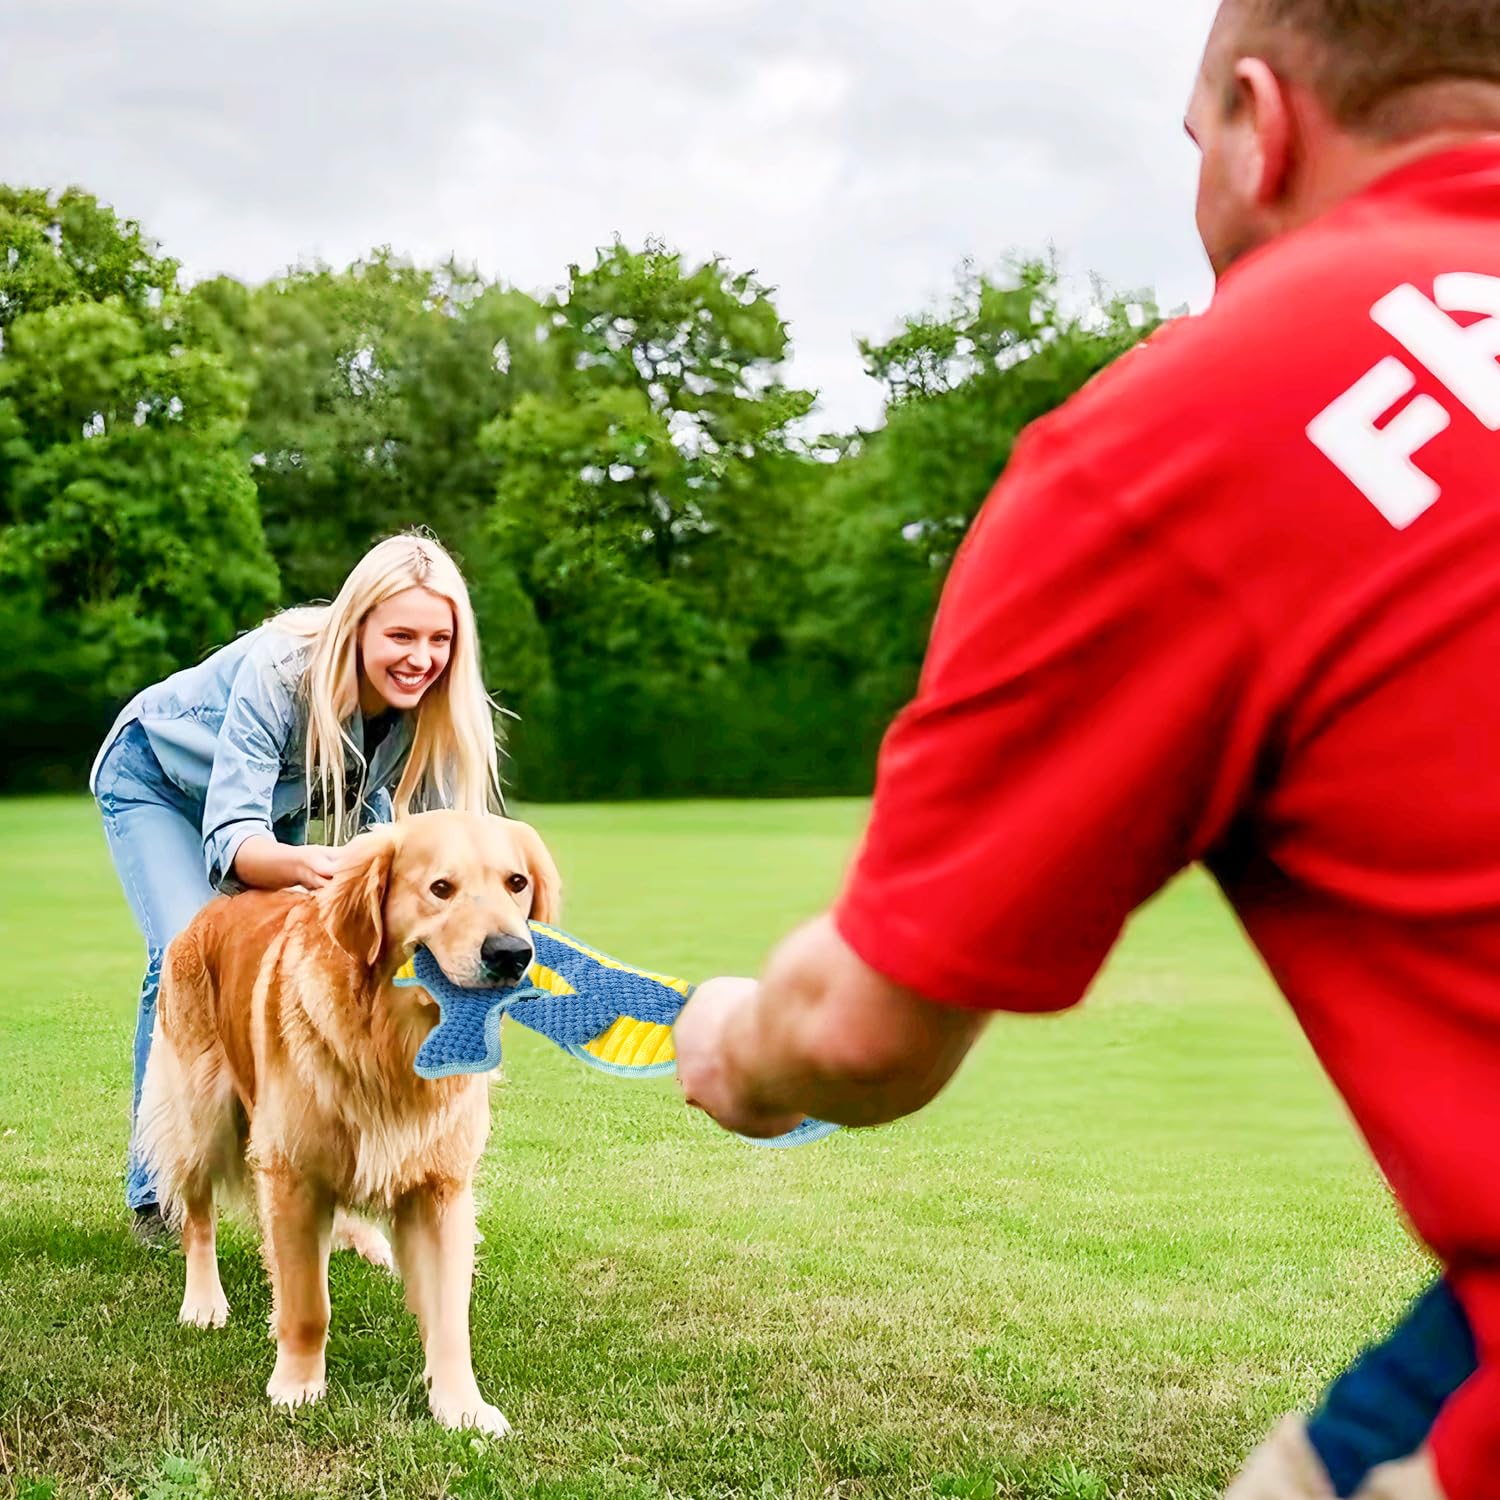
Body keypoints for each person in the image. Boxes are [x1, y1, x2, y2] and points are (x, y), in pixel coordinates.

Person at [672, 2, 1500, 1495]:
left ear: (1264, 120)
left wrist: (735, 1039)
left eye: (1197, 149)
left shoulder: (1194, 426)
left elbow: (864, 1030)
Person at [92, 532, 502, 1245]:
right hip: (156, 780)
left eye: (439, 638)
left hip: (264, 812)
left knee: (331, 950)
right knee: (188, 946)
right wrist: (318, 868)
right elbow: (234, 838)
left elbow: (440, 842)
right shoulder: (281, 670)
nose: (421, 656)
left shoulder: (428, 706)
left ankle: (308, 1161)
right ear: (357, 625)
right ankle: (157, 1197)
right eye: (400, 634)